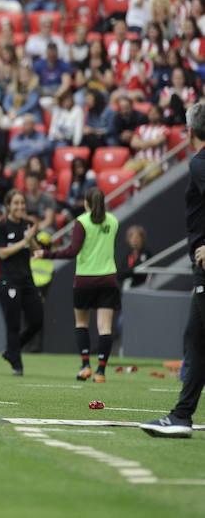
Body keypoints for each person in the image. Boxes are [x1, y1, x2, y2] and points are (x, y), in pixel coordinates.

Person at [140, 103, 205, 437]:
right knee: (195, 338)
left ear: (189, 132)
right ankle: (181, 415)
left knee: (197, 338)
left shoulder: (199, 163)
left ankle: (181, 415)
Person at [35, 187, 119, 383]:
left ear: (86, 203)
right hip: (108, 278)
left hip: (85, 279)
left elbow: (72, 251)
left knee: (82, 323)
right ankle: (100, 372)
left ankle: (85, 366)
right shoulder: (113, 221)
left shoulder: (82, 222)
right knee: (105, 327)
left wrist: (47, 254)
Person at [0, 189, 45, 376]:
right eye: (16, 203)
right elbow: (2, 253)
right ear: (8, 206)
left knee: (37, 320)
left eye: (22, 203)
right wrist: (24, 240)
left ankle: (11, 351)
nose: (20, 207)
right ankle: (17, 364)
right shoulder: (1, 227)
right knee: (13, 324)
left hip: (27, 280)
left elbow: (36, 251)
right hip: (9, 281)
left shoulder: (28, 224)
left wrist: (31, 239)